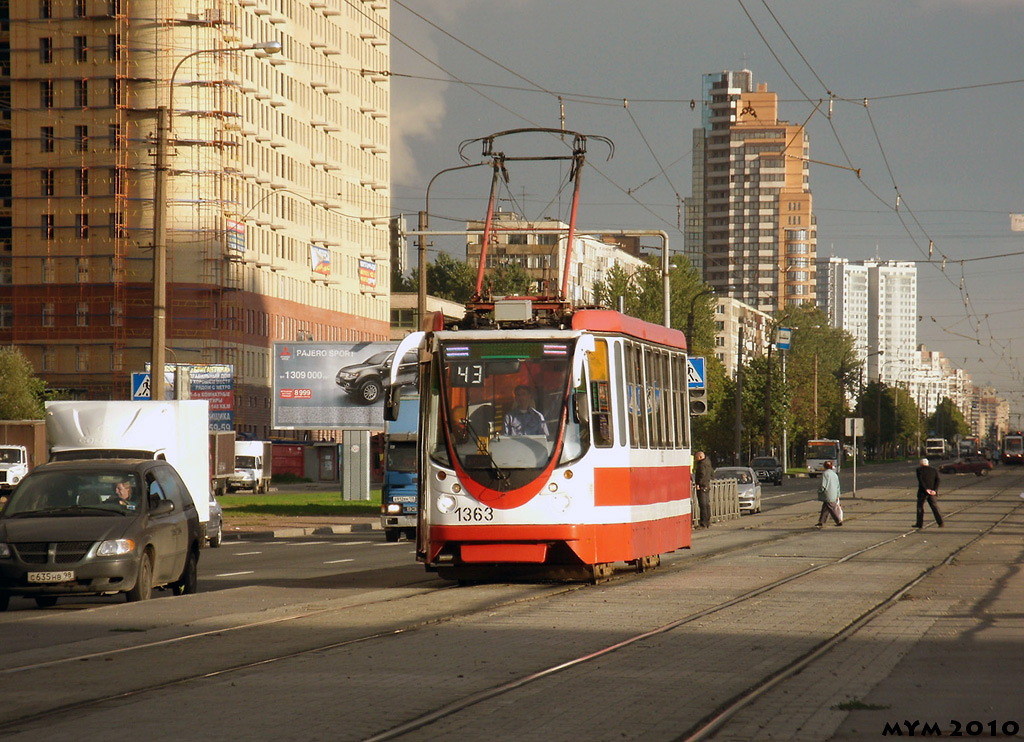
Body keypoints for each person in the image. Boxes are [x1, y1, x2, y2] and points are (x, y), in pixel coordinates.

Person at [915, 457, 943, 528]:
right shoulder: (933, 470)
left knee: (920, 507)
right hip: (932, 492)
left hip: (923, 492)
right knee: (934, 507)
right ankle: (940, 523)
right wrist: (934, 490)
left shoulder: (919, 470)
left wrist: (926, 489)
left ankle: (919, 524)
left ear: (921, 464)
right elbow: (938, 480)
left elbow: (921, 480)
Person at [815, 460, 843, 527]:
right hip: (834, 494)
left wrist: (820, 491)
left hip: (827, 494)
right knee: (825, 508)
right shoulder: (834, 474)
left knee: (831, 507)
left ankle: (838, 521)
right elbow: (838, 485)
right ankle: (821, 521)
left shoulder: (825, 474)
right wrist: (838, 495)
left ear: (824, 466)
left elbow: (822, 485)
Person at [693, 450, 713, 529]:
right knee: (707, 504)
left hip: (702, 486)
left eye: (696, 457)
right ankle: (707, 521)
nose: (695, 459)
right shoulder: (708, 463)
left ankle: (703, 523)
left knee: (702, 505)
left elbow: (701, 474)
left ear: (700, 457)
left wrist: (698, 483)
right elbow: (712, 473)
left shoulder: (701, 465)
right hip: (707, 485)